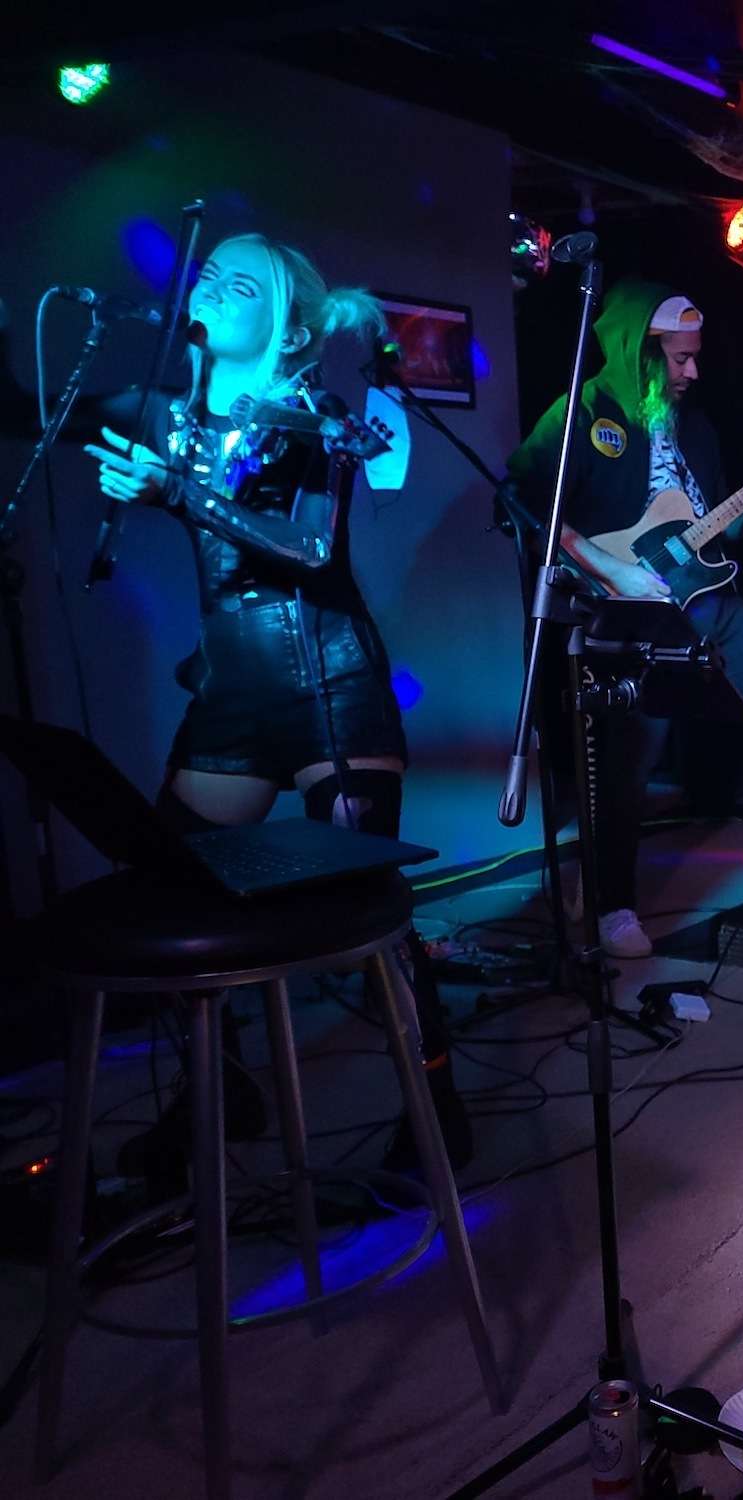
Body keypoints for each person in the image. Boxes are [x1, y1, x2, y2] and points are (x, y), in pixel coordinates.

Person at [83, 232, 470, 1172]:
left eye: (242, 283)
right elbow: (46, 415)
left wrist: (178, 492)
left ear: (290, 329)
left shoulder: (314, 415)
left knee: (372, 918)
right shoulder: (171, 414)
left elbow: (311, 552)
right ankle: (218, 1094)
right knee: (170, 889)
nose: (214, 284)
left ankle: (437, 1109)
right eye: (209, 272)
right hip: (233, 695)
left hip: (330, 679)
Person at [503, 282, 743, 950]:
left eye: (695, 356)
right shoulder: (582, 413)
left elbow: (713, 530)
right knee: (630, 756)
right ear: (638, 354)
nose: (693, 371)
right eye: (680, 358)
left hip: (705, 599)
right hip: (629, 613)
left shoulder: (695, 428)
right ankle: (611, 902)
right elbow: (521, 504)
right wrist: (607, 567)